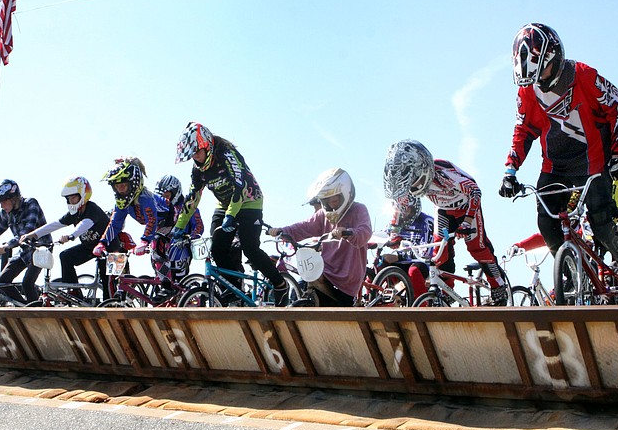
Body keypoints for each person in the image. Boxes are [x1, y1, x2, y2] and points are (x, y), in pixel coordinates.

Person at [498, 22, 618, 301]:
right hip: (554, 166)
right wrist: (510, 170)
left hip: (593, 162)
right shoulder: (528, 91)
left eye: (541, 71)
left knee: (601, 225)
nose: (537, 80)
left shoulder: (584, 76)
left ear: (554, 58)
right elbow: (523, 130)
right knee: (546, 223)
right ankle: (567, 273)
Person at [171, 122, 289, 304]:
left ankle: (280, 284)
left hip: (249, 201)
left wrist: (231, 216)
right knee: (217, 248)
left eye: (197, 152)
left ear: (207, 145)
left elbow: (239, 186)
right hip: (225, 205)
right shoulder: (197, 170)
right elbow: (193, 197)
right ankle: (234, 287)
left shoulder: (226, 154)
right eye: (192, 155)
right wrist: (178, 227)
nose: (196, 158)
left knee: (250, 249)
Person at [384, 139, 509, 304]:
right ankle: (447, 290)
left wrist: (466, 222)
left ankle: (498, 286)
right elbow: (400, 203)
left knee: (477, 248)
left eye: (415, 182)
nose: (414, 188)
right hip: (443, 210)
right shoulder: (411, 183)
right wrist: (395, 232)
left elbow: (475, 192)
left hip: (466, 208)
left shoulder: (443, 174)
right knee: (440, 252)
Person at [267, 168, 372, 307]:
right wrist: (282, 231)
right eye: (326, 201)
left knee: (337, 316)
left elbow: (364, 232)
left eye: (334, 199)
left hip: (346, 278)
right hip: (324, 270)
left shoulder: (358, 209)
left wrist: (348, 232)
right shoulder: (323, 214)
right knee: (301, 288)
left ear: (345, 193)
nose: (331, 204)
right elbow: (304, 226)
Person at [19, 176, 117, 300]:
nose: (71, 202)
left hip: (111, 249)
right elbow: (56, 224)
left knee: (108, 283)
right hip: (91, 248)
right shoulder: (75, 213)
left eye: (73, 198)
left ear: (83, 195)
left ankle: (113, 307)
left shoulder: (93, 209)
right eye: (68, 199)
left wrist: (71, 236)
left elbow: (85, 224)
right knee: (65, 256)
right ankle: (74, 293)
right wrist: (33, 234)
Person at [91, 158, 174, 294]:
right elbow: (114, 224)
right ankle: (116, 293)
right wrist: (102, 243)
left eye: (123, 185)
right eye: (117, 187)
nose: (120, 190)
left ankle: (167, 288)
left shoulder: (145, 198)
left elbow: (152, 221)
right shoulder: (122, 202)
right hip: (153, 227)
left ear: (133, 183)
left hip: (170, 221)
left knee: (156, 249)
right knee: (116, 250)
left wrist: (144, 241)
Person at [381, 196, 435, 299]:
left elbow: (425, 252)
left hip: (421, 262)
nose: (404, 213)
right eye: (400, 210)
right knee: (380, 263)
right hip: (401, 262)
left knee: (414, 271)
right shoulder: (397, 221)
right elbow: (384, 236)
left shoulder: (427, 221)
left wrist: (399, 256)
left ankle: (422, 306)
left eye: (407, 209)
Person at [155, 174, 204, 283]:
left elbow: (199, 226)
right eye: (161, 196)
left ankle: (185, 296)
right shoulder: (160, 208)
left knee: (178, 281)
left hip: (181, 250)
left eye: (167, 195)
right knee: (163, 280)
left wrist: (189, 238)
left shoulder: (188, 205)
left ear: (175, 191)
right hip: (162, 250)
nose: (164, 199)